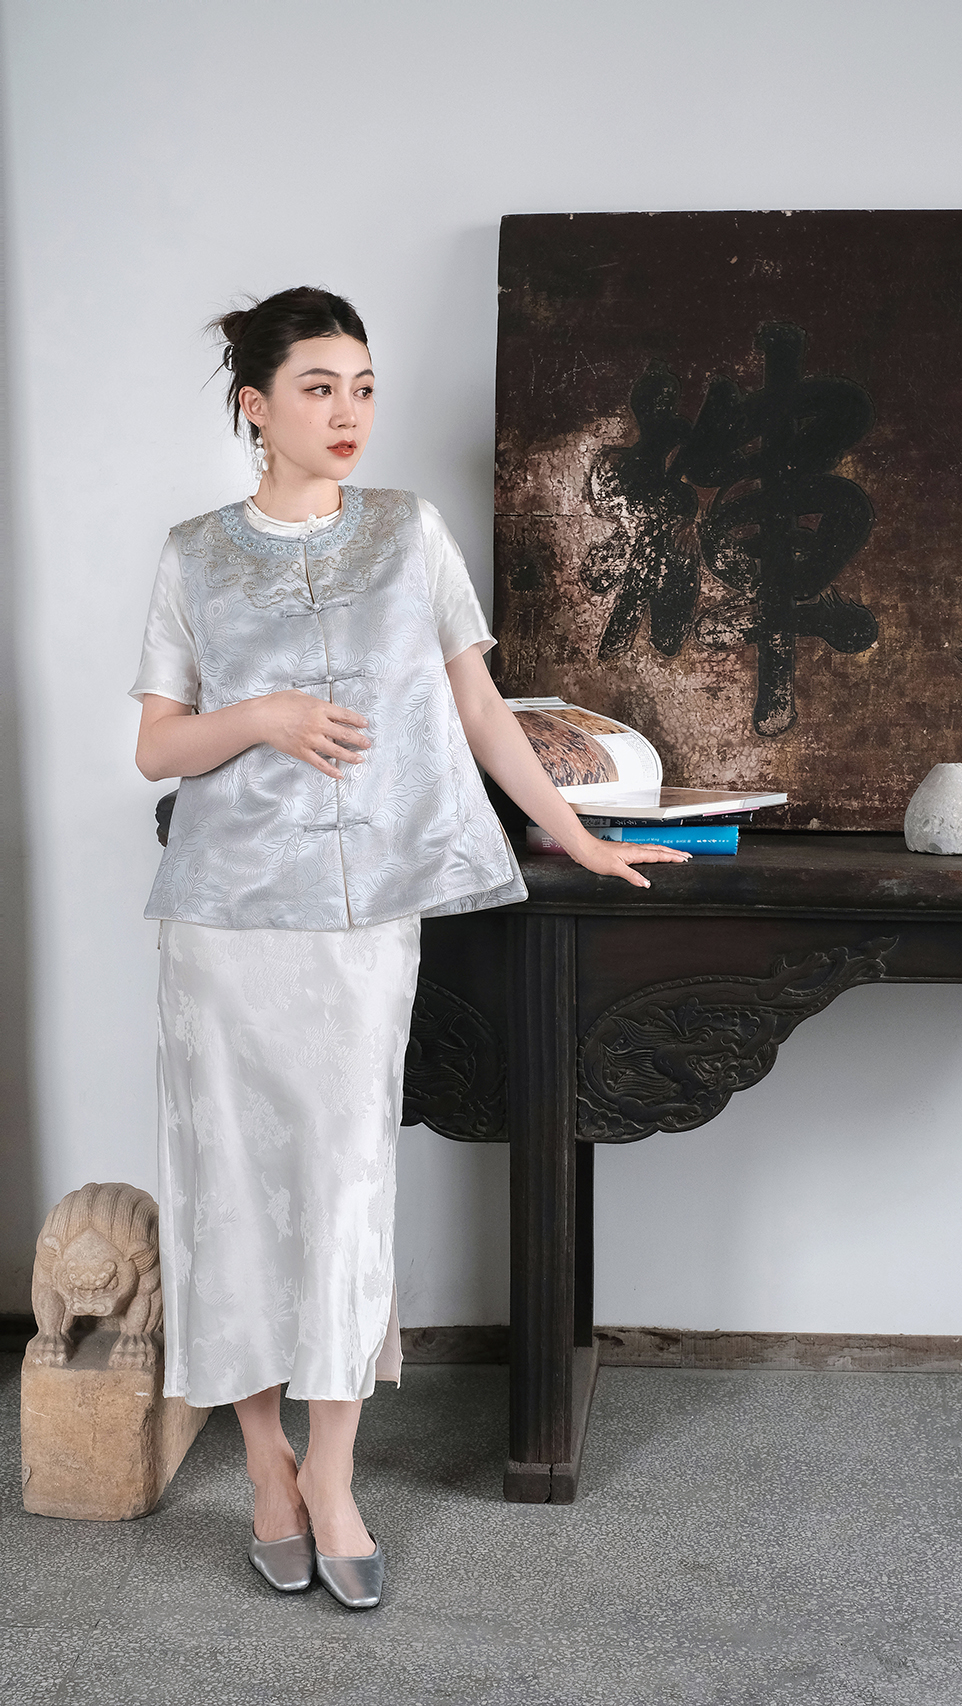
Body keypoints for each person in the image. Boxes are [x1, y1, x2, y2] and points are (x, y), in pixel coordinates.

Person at [131, 285, 689, 1609]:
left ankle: (332, 1472)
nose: (349, 413)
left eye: (365, 386)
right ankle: (263, 1464)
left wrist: (572, 833)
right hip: (222, 919)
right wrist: (262, 715)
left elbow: (478, 706)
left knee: (344, 1187)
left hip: (361, 920)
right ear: (255, 406)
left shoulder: (407, 534)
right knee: (229, 1190)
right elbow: (157, 747)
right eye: (318, 386)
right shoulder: (193, 555)